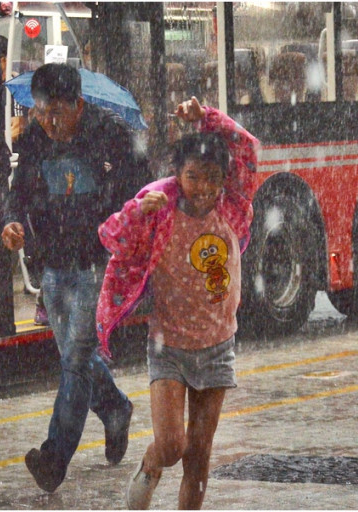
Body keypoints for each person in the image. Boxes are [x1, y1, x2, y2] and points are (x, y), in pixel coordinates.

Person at [95, 96, 260, 509]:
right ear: (177, 174)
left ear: (224, 179)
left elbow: (249, 148)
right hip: (168, 347)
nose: (202, 188)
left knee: (198, 460)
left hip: (218, 347)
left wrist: (207, 117)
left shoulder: (233, 208)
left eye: (211, 177)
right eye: (192, 176)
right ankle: (149, 467)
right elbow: (110, 237)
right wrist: (135, 211)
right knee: (172, 446)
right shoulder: (159, 209)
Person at [1, 63, 145, 493]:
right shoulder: (34, 139)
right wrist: (11, 222)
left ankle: (54, 457)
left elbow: (138, 197)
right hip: (52, 264)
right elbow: (18, 192)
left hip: (96, 264)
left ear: (79, 105)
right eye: (42, 113)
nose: (49, 122)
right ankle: (116, 408)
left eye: (57, 113)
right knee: (74, 359)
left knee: (77, 359)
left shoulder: (113, 136)